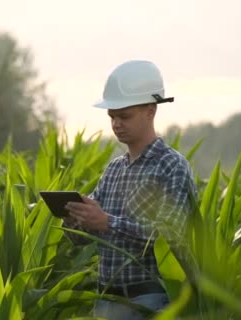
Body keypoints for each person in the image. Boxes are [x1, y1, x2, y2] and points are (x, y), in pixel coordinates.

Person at [64, 60, 198, 320]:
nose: (116, 124)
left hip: (151, 302)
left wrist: (107, 222)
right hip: (106, 301)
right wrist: (74, 219)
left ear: (150, 110)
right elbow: (85, 238)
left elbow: (173, 237)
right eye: (112, 116)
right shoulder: (113, 169)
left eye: (124, 116)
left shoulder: (171, 166)